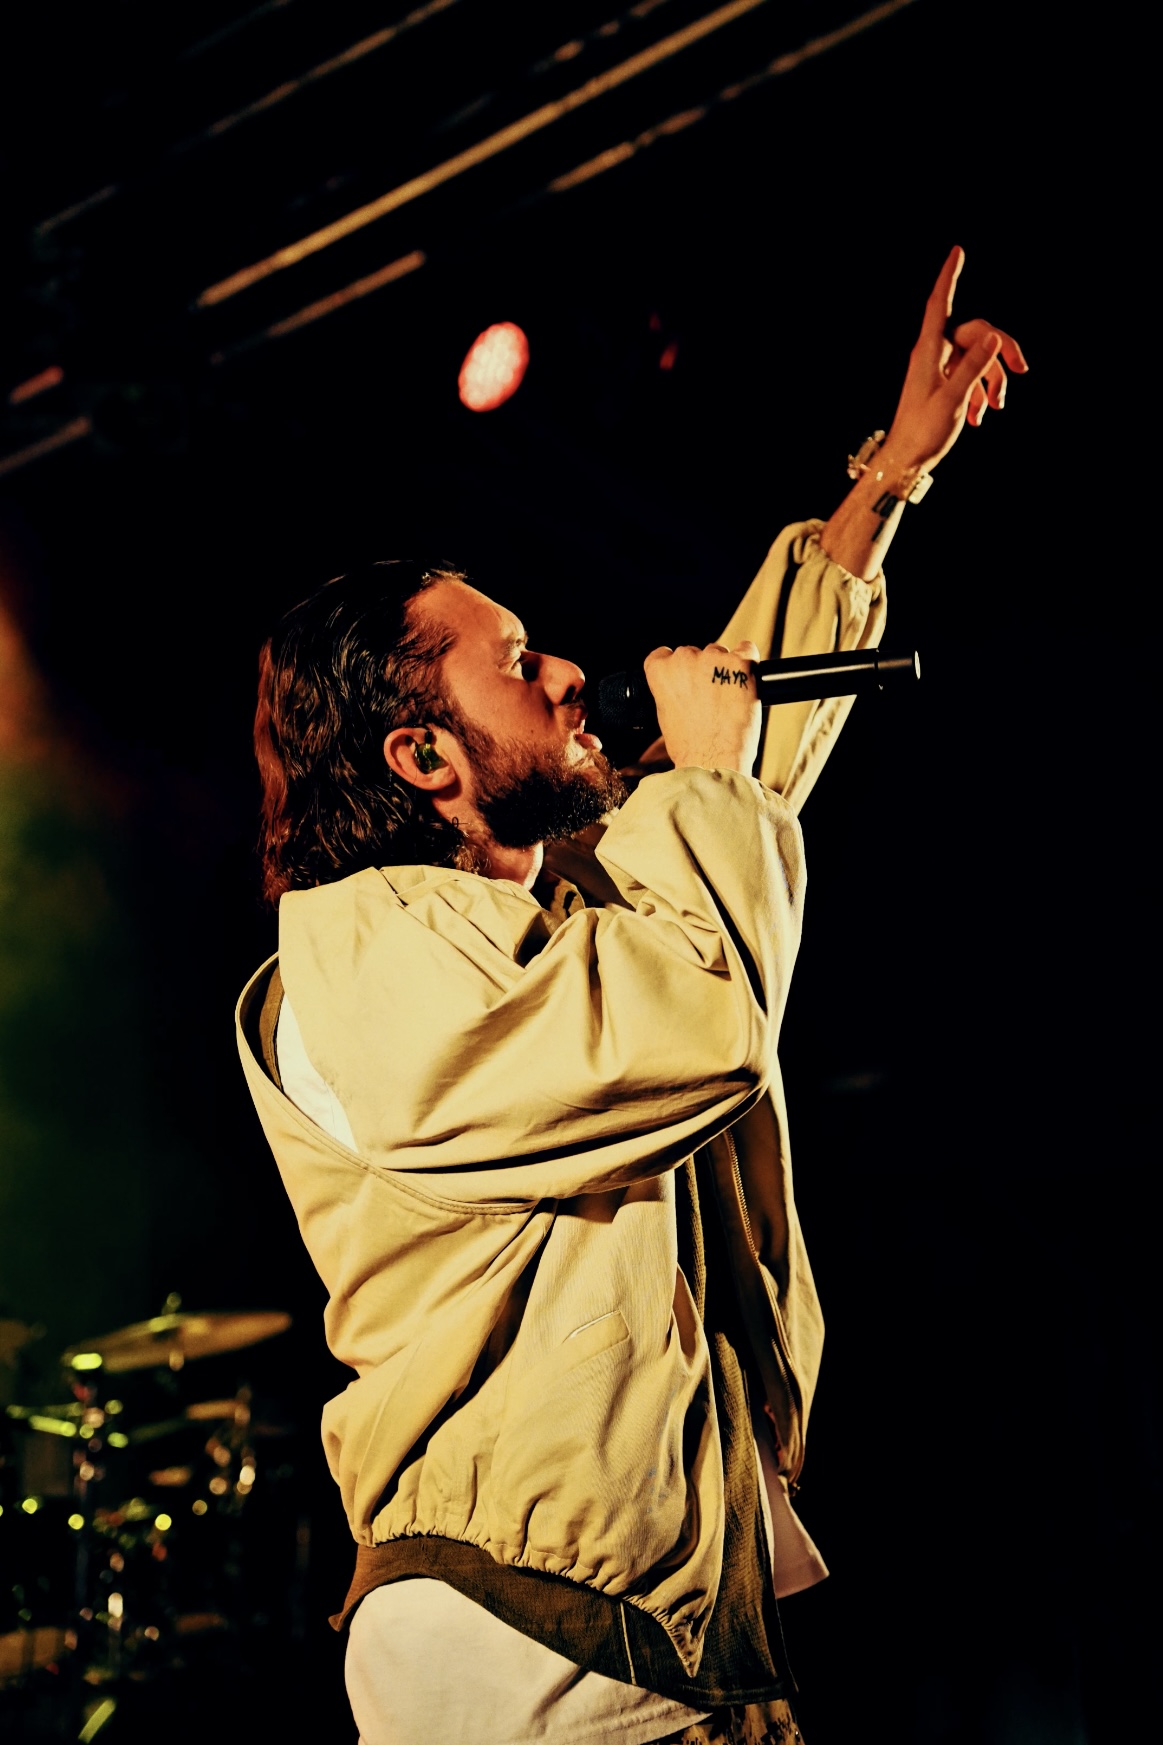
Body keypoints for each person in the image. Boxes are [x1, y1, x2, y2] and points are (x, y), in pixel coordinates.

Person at [236, 248, 1026, 1745]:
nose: (568, 674)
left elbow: (732, 795)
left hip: (647, 1640)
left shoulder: (554, 920)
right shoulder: (358, 953)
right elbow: (703, 1016)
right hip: (529, 1661)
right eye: (517, 662)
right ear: (422, 756)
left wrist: (884, 486)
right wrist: (711, 775)